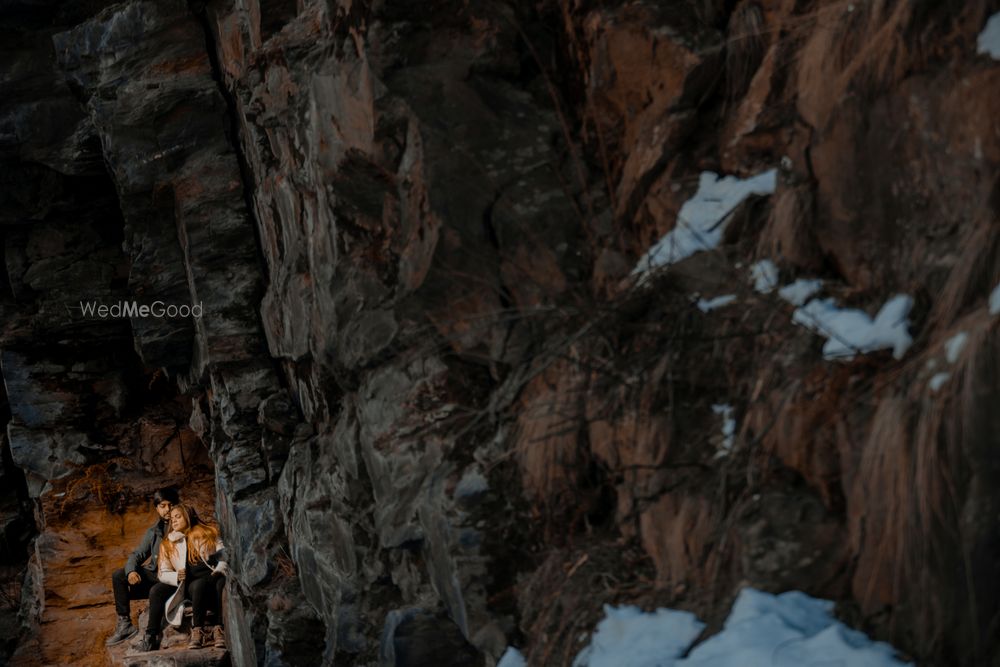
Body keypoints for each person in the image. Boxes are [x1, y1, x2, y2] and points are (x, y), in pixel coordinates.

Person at [106, 486, 180, 646]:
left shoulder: (184, 526)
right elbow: (137, 554)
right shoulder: (154, 531)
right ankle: (124, 624)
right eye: (162, 506)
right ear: (157, 508)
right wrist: (131, 572)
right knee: (119, 575)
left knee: (156, 590)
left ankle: (151, 637)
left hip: (174, 578)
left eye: (171, 505)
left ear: (177, 505)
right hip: (156, 574)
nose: (167, 509)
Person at [157, 504, 228, 650]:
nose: (174, 521)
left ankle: (218, 629)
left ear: (188, 516)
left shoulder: (209, 532)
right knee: (199, 584)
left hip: (213, 577)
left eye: (178, 517)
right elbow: (162, 572)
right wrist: (175, 575)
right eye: (172, 519)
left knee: (221, 582)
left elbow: (224, 555)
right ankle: (198, 631)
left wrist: (220, 570)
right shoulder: (168, 543)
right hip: (192, 584)